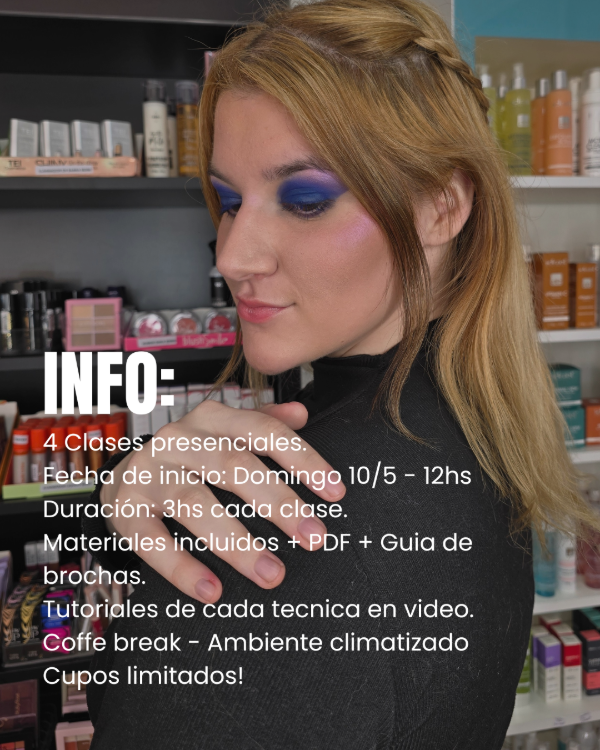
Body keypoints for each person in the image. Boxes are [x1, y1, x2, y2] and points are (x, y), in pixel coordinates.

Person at [84, 1, 592, 747]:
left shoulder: (293, 533)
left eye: (306, 200)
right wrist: (127, 506)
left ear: (441, 207)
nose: (231, 256)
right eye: (230, 201)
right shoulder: (480, 424)